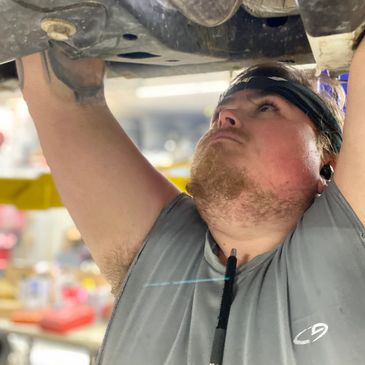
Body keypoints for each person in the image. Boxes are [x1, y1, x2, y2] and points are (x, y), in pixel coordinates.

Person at [16, 32, 365, 364]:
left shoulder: (346, 245)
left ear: (327, 165)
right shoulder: (162, 248)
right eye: (218, 117)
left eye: (267, 108)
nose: (225, 117)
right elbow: (61, 92)